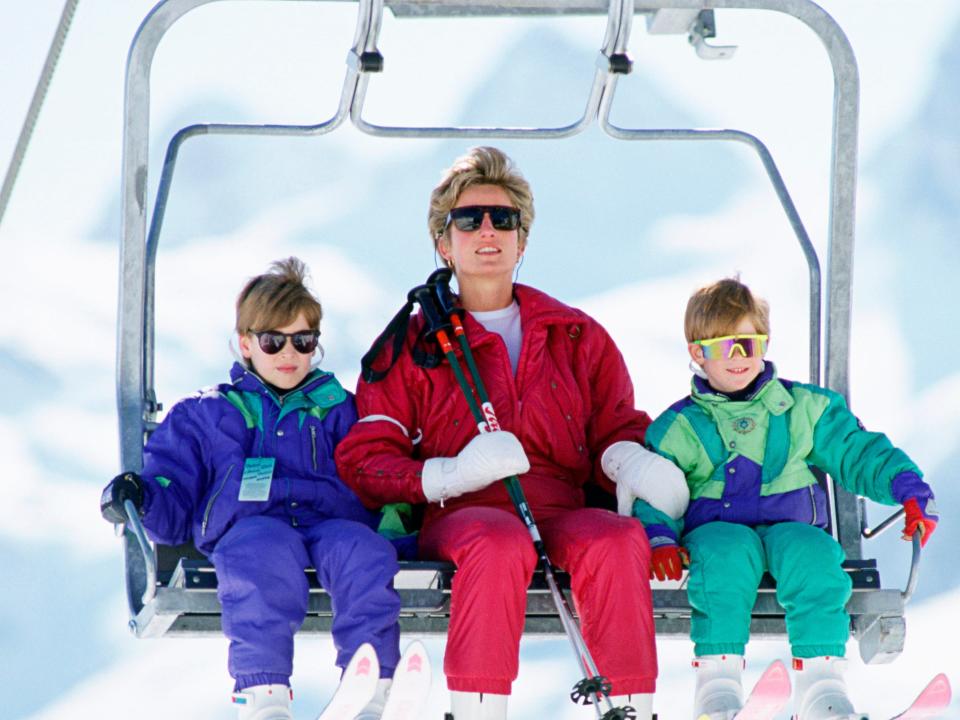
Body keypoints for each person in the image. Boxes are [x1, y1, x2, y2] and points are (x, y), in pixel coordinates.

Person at [335, 146, 689, 720]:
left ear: (523, 240)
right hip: (462, 512)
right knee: (498, 542)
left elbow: (614, 427)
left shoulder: (575, 337)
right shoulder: (414, 346)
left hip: (560, 505)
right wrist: (451, 473)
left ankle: (632, 706)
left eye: (503, 219)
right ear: (443, 243)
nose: (487, 231)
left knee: (617, 540)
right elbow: (366, 459)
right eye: (468, 219)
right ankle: (477, 709)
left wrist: (633, 463)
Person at [100, 258, 401, 720]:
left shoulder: (338, 409)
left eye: (302, 341)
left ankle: (371, 687)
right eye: (272, 341)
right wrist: (142, 498)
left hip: (330, 524)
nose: (289, 354)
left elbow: (377, 470)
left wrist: (405, 510)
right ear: (245, 343)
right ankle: (264, 696)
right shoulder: (208, 415)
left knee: (364, 551)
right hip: (252, 527)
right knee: (259, 557)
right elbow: (174, 492)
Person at [635, 277, 939, 720]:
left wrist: (906, 487)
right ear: (697, 353)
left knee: (815, 556)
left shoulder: (804, 409)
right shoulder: (680, 427)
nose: (739, 358)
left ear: (765, 343)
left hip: (792, 527)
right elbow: (653, 486)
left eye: (748, 343)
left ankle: (823, 690)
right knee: (724, 556)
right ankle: (717, 691)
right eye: (724, 347)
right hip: (717, 533)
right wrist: (660, 538)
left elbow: (856, 451)